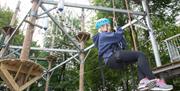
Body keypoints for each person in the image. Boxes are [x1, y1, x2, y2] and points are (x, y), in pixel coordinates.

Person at [92, 18, 173, 90]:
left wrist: (119, 34)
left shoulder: (108, 36)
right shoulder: (103, 35)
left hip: (114, 60)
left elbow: (122, 44)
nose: (109, 27)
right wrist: (118, 28)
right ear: (102, 28)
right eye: (107, 26)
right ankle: (153, 79)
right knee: (140, 55)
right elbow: (119, 35)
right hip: (112, 57)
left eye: (108, 25)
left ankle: (142, 81)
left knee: (138, 58)